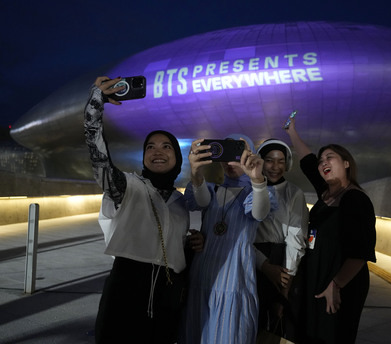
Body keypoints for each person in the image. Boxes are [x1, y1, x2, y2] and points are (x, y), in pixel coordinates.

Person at [84, 76, 204, 344]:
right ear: (144, 156)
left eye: (166, 146)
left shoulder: (180, 201)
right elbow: (99, 160)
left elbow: (168, 244)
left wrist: (190, 244)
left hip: (167, 297)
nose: (157, 151)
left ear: (177, 157)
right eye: (150, 146)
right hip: (126, 293)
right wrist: (94, 106)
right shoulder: (128, 187)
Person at [285, 117, 376, 344]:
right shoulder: (326, 192)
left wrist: (336, 284)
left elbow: (362, 251)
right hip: (318, 276)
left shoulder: (354, 198)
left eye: (330, 157)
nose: (323, 162)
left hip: (341, 282)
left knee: (333, 335)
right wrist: (291, 132)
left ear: (346, 163)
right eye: (321, 160)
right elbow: (307, 162)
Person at [181, 134, 275, 344]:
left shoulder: (257, 191)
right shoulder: (212, 190)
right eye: (225, 152)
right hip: (202, 279)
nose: (231, 161)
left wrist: (257, 179)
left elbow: (259, 213)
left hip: (235, 283)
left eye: (238, 152)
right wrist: (196, 173)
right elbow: (200, 200)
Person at [254, 139, 308, 341]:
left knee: (278, 325)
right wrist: (263, 265)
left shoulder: (294, 193)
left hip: (282, 263)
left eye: (280, 161)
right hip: (253, 260)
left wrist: (284, 291)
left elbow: (296, 241)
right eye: (269, 160)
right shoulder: (249, 189)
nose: (275, 167)